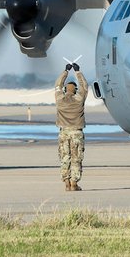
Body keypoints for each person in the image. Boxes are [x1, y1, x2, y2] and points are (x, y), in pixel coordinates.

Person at [55, 62, 88, 191]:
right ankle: (74, 183)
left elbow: (57, 85)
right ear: (75, 90)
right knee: (76, 158)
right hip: (76, 133)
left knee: (64, 158)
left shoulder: (60, 100)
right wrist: (78, 72)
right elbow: (84, 86)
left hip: (63, 133)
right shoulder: (79, 99)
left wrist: (65, 71)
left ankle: (67, 183)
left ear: (65, 90)